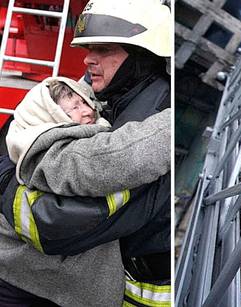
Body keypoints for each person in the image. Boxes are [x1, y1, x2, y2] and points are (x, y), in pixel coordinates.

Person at [0, 0, 172, 306]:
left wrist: (5, 176)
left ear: (143, 56)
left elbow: (53, 224)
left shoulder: (151, 122)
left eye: (103, 49)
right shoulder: (107, 93)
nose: (87, 60)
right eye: (89, 48)